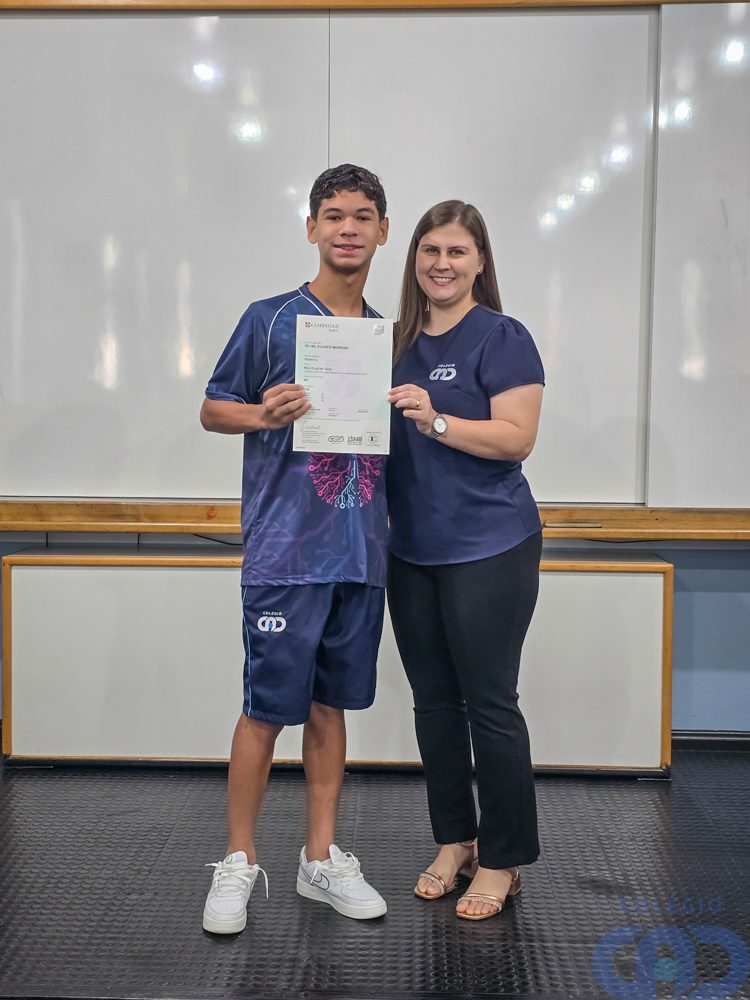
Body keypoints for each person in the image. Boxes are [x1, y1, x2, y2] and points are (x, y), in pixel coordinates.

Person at [199, 164, 390, 933]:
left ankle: (320, 858)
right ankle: (238, 861)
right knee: (263, 711)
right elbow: (213, 409)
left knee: (328, 707)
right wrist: (262, 415)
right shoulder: (270, 320)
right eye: (334, 214)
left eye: (363, 215)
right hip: (285, 553)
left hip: (360, 552)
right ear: (312, 227)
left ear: (382, 230)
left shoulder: (387, 337)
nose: (348, 227)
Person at [386, 200, 544, 922]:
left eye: (456, 251)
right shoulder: (392, 342)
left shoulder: (502, 336)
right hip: (411, 549)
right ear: (414, 260)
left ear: (480, 261)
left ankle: (503, 859)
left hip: (491, 545)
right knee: (433, 706)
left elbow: (517, 438)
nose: (441, 264)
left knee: (490, 704)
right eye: (430, 251)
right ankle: (456, 841)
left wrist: (437, 420)